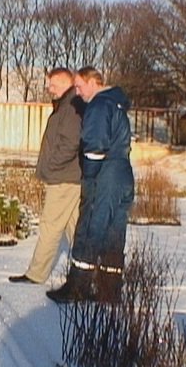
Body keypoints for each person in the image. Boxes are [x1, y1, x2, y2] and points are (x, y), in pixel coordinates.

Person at [46, 66, 134, 303]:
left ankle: (78, 288)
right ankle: (109, 290)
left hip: (105, 175)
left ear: (93, 82)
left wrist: (90, 177)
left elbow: (95, 146)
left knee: (89, 230)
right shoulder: (117, 104)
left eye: (79, 86)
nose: (77, 92)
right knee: (114, 232)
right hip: (123, 173)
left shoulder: (99, 105)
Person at [9, 67, 85, 285]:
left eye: (52, 84)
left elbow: (70, 143)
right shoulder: (68, 104)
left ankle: (36, 274)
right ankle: (91, 273)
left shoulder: (70, 106)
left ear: (64, 82)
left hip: (63, 178)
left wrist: (52, 167)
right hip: (69, 177)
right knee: (76, 229)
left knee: (50, 227)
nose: (49, 89)